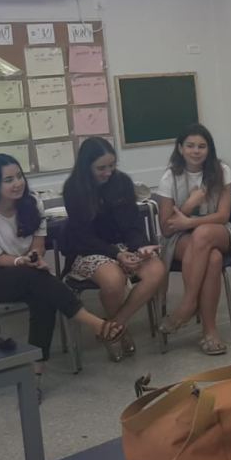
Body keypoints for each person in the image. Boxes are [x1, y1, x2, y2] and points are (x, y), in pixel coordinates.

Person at [0, 154, 125, 396]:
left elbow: (39, 243)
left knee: (43, 296)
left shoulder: (31, 202)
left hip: (28, 274)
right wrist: (23, 261)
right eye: (8, 180)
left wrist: (34, 257)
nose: (17, 183)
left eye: (19, 176)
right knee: (36, 280)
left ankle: (35, 376)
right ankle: (94, 323)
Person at [62, 137, 168, 363]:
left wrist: (141, 247)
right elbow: (84, 237)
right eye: (101, 168)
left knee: (156, 270)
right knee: (113, 279)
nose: (108, 172)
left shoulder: (122, 183)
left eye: (112, 166)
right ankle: (122, 332)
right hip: (88, 250)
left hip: (123, 247)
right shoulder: (74, 189)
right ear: (86, 166)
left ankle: (113, 327)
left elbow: (132, 225)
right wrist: (116, 254)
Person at [154, 124, 231, 355]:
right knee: (214, 259)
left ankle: (187, 306)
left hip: (217, 231)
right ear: (180, 148)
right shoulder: (170, 177)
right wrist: (189, 204)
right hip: (180, 239)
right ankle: (210, 333)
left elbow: (223, 216)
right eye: (190, 146)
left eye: (202, 146)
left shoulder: (221, 171)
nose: (196, 151)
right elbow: (167, 229)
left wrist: (188, 222)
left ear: (209, 149)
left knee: (203, 234)